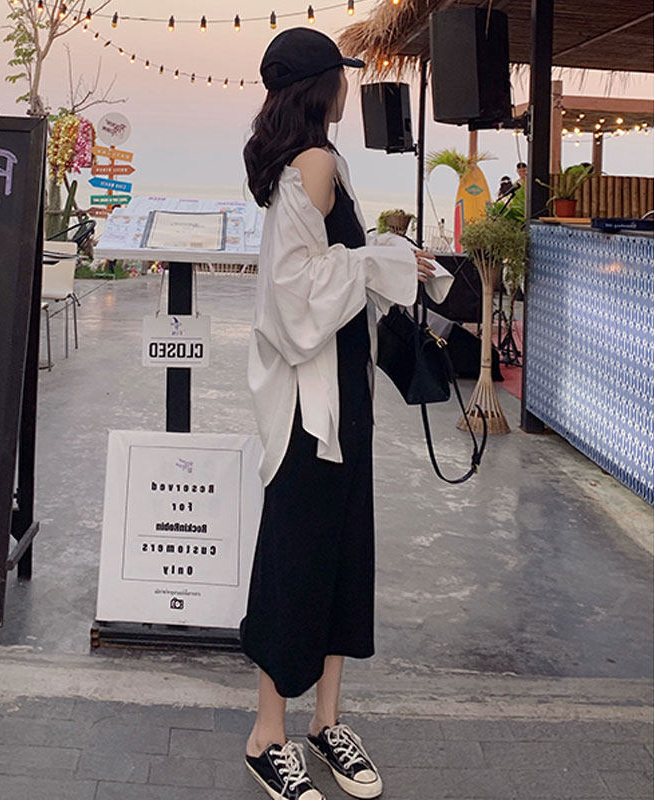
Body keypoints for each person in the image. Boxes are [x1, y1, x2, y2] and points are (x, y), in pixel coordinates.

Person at [239, 27, 452, 800]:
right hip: (312, 408)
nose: (346, 88)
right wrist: (377, 258)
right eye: (340, 77)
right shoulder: (314, 164)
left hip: (337, 398)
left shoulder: (314, 162)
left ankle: (326, 723)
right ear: (321, 86)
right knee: (298, 560)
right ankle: (268, 736)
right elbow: (294, 297)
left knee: (337, 555)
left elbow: (334, 271)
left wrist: (388, 260)